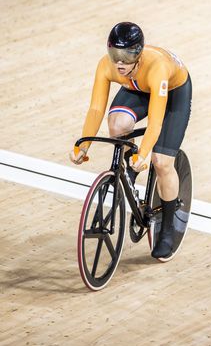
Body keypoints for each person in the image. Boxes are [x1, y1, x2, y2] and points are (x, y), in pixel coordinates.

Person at [69, 22, 192, 259]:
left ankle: (166, 229)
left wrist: (143, 154)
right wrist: (82, 146)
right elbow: (96, 109)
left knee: (161, 161)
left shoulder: (156, 67)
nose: (120, 63)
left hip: (173, 91)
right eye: (115, 55)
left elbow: (155, 123)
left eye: (126, 56)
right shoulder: (107, 66)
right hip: (140, 87)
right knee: (116, 124)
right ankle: (129, 170)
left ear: (139, 54)